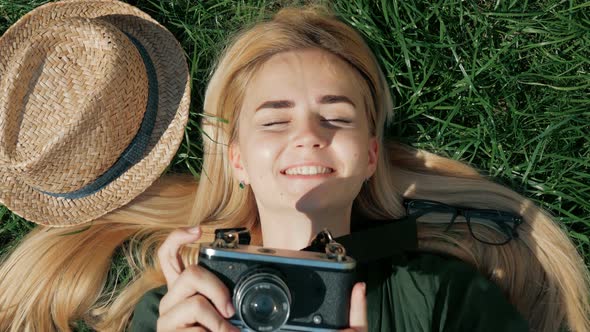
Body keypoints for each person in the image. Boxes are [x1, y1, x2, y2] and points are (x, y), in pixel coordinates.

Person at [0, 2, 588, 332]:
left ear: (370, 156)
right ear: (237, 160)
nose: (307, 136)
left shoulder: (442, 301)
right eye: (275, 121)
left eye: (335, 119)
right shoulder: (180, 310)